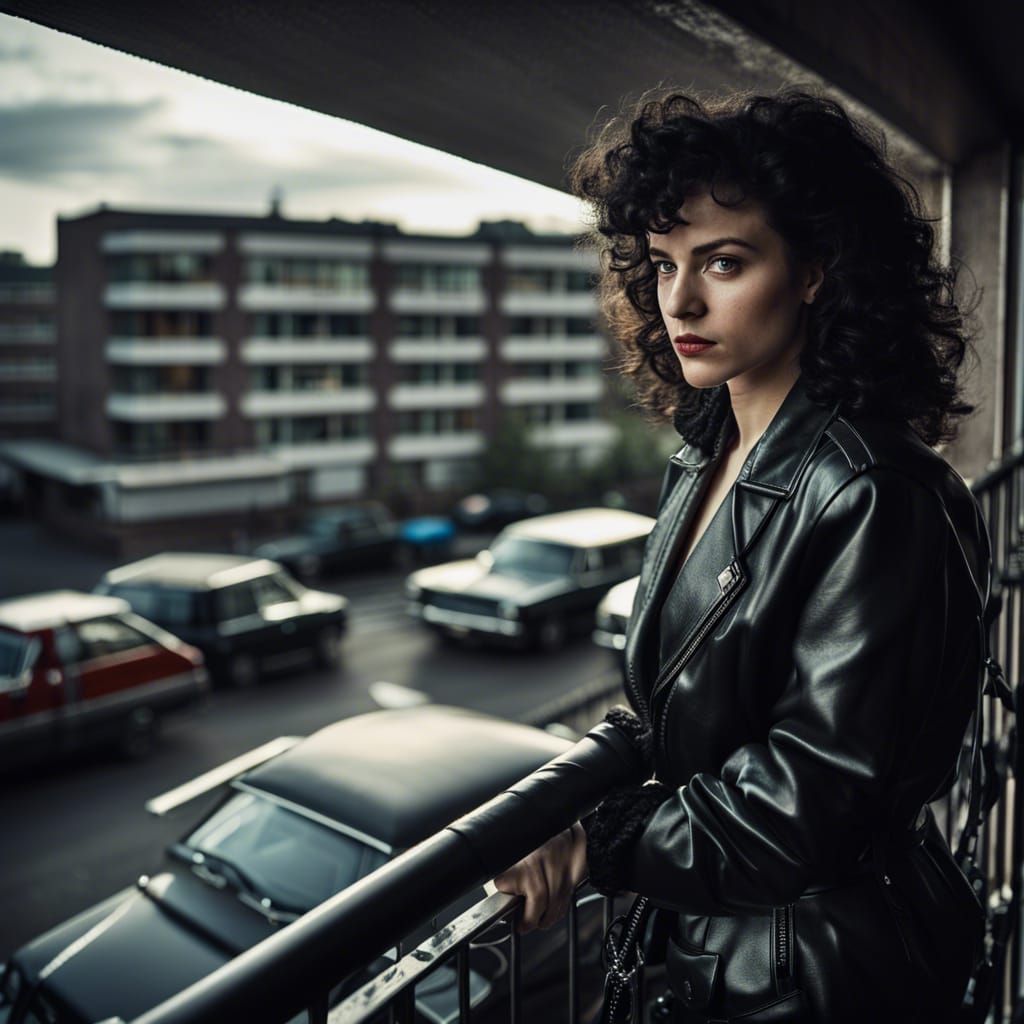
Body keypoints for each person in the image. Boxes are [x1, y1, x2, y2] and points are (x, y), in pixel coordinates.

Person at [492, 89, 995, 1023]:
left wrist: (599, 839)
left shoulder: (876, 494)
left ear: (814, 268)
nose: (679, 299)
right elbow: (672, 704)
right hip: (715, 945)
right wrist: (540, 809)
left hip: (812, 974)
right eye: (662, 264)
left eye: (725, 262)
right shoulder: (710, 448)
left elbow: (814, 799)